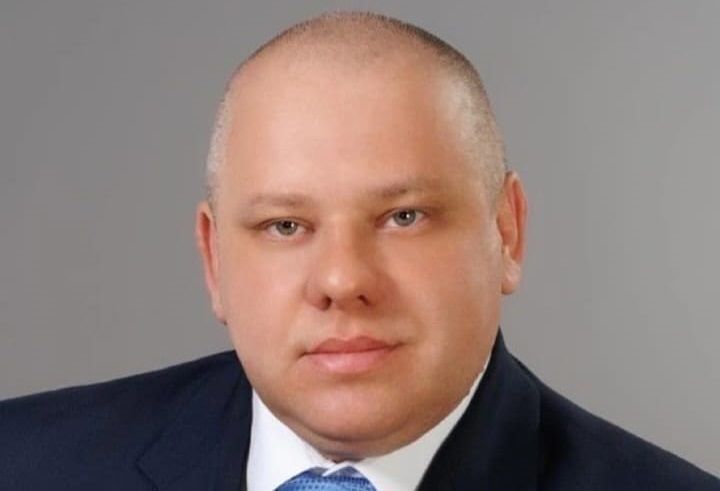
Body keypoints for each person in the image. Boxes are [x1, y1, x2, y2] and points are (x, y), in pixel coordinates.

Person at [0, 11, 717, 491]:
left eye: (404, 217)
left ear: (507, 232)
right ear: (214, 260)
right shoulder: (23, 462)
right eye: (285, 226)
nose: (343, 280)